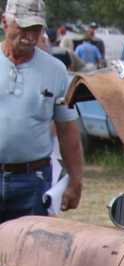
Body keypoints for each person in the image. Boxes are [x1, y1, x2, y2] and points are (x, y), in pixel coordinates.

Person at [1, 0, 83, 221]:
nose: (30, 37)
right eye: (24, 28)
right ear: (5, 23)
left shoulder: (56, 70)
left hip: (32, 182)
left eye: (36, 29)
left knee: (31, 243)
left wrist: (75, 181)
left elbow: (68, 131)